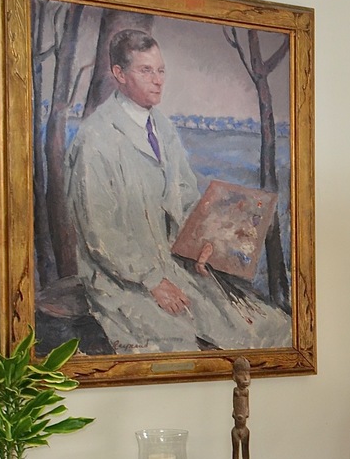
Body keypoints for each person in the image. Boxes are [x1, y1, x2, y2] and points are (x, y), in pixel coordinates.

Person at [65, 28, 290, 355]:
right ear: (119, 74)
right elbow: (99, 233)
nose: (158, 80)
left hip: (173, 262)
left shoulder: (163, 128)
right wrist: (153, 280)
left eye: (160, 70)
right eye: (146, 70)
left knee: (272, 327)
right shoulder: (95, 140)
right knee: (180, 345)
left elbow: (184, 199)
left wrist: (202, 244)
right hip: (122, 278)